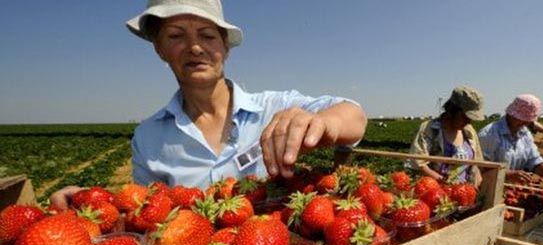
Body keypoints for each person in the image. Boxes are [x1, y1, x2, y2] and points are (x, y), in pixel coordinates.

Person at [51, 0, 366, 208]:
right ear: (159, 49)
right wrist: (93, 200)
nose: (195, 47)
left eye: (207, 35)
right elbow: (147, 212)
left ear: (225, 48)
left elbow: (353, 115)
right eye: (176, 36)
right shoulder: (149, 138)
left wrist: (325, 124)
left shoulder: (273, 107)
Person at [409, 86, 485, 185]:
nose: (468, 121)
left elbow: (478, 163)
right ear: (452, 110)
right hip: (435, 193)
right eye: (464, 117)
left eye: (470, 118)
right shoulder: (429, 129)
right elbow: (418, 164)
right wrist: (445, 183)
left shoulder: (469, 131)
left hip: (465, 193)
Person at [478, 94, 543, 183]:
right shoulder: (489, 134)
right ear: (511, 114)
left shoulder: (525, 134)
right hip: (490, 189)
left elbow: (533, 159)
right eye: (522, 119)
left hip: (514, 190)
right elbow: (480, 166)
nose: (525, 123)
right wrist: (508, 174)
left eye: (528, 120)